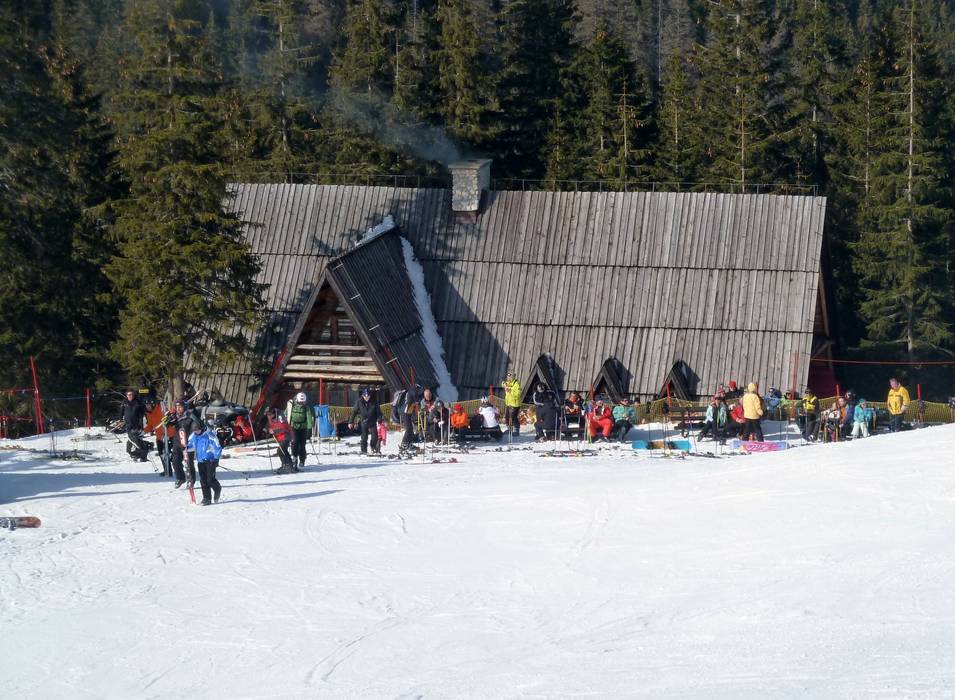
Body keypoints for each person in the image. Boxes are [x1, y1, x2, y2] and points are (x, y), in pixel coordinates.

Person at [187, 422, 222, 506]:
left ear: (202, 428)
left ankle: (217, 488)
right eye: (195, 430)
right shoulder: (194, 436)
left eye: (198, 430)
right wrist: (186, 448)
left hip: (210, 461)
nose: (196, 432)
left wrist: (216, 459)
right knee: (203, 480)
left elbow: (217, 447)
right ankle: (207, 498)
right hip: (200, 461)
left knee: (210, 480)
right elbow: (190, 445)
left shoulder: (210, 435)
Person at [349, 388, 383, 456]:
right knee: (364, 437)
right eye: (365, 396)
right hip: (363, 421)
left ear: (370, 396)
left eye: (368, 396)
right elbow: (354, 412)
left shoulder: (374, 402)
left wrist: (379, 420)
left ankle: (373, 448)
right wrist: (351, 422)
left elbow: (379, 413)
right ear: (362, 396)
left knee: (375, 437)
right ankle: (363, 451)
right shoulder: (359, 402)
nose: (366, 398)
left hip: (372, 421)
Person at [285, 392, 314, 469]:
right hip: (293, 427)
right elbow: (286, 414)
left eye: (303, 402)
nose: (302, 403)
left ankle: (302, 459)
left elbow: (309, 418)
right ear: (297, 400)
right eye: (301, 402)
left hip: (303, 427)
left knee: (302, 445)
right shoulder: (292, 406)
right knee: (294, 442)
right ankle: (294, 457)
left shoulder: (306, 408)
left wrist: (309, 429)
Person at [120, 389, 150, 462]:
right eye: (129, 395)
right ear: (127, 395)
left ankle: (140, 454)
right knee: (132, 439)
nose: (130, 396)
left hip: (137, 424)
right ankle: (135, 453)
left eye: (132, 394)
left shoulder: (138, 402)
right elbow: (121, 412)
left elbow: (142, 414)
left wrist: (141, 424)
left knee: (135, 439)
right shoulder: (124, 402)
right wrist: (120, 419)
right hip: (128, 424)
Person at [267, 408, 295, 472]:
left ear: (274, 414)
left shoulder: (281, 418)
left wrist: (274, 431)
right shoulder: (270, 419)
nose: (269, 416)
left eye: (270, 415)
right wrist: (268, 430)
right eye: (268, 414)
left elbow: (283, 428)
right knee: (284, 451)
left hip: (286, 436)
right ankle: (288, 464)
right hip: (279, 437)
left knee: (280, 450)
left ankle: (287, 464)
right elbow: (270, 426)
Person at [502, 370, 522, 437]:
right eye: (507, 377)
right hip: (509, 403)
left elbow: (518, 394)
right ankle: (509, 429)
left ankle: (516, 430)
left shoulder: (516, 384)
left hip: (515, 404)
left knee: (513, 417)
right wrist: (504, 384)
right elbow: (503, 383)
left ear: (513, 377)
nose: (508, 378)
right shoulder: (508, 383)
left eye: (510, 377)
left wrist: (510, 390)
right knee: (507, 416)